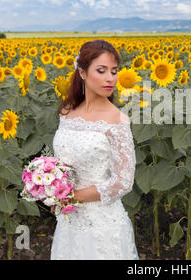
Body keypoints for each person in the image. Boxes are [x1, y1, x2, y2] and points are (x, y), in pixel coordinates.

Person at [50, 39, 139, 260]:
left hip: (101, 223)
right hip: (69, 221)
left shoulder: (117, 121)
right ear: (82, 72)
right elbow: (61, 162)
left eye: (114, 71)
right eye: (102, 71)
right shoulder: (67, 113)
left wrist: (72, 197)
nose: (111, 78)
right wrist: (51, 186)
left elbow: (122, 182)